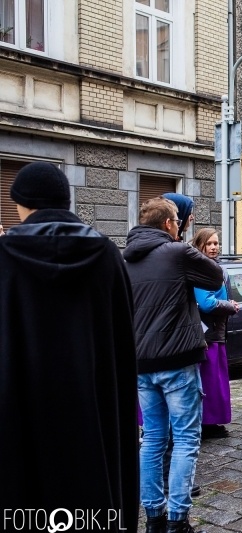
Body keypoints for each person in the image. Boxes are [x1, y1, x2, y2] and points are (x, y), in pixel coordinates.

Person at [0, 162, 139, 531]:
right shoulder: (106, 254)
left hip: (20, 406)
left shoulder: (4, 255)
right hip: (93, 404)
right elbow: (123, 341)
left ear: (21, 203)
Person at [125, 195, 223, 533]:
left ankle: (154, 518)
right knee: (185, 439)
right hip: (177, 360)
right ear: (169, 224)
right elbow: (215, 277)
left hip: (141, 362)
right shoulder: (177, 251)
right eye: (178, 223)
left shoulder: (125, 258)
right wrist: (185, 245)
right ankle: (177, 520)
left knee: (152, 439)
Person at [192, 228, 239, 440]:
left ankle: (210, 422)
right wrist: (230, 305)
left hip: (214, 332)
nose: (214, 247)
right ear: (200, 245)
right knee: (210, 381)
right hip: (208, 334)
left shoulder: (211, 266)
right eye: (209, 243)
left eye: (216, 243)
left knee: (215, 380)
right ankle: (207, 423)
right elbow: (206, 303)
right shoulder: (201, 269)